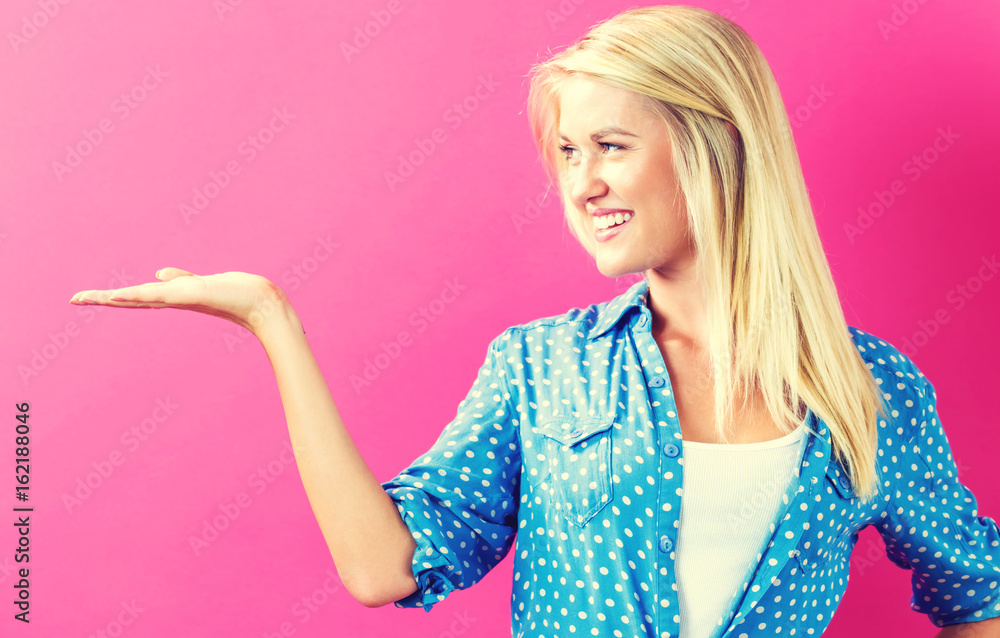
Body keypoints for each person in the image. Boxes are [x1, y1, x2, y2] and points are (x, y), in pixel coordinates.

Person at [69, 5, 1000, 637]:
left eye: (610, 146)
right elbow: (383, 568)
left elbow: (977, 589)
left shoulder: (869, 390)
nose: (580, 182)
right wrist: (275, 323)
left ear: (714, 148)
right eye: (565, 151)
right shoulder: (538, 368)